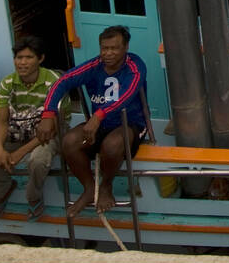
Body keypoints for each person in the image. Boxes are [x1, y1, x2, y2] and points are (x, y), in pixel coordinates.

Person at [36, 25, 149, 217]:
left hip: (130, 124)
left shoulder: (135, 66)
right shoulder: (94, 65)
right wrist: (48, 114)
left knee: (111, 146)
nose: (108, 53)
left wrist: (98, 115)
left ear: (126, 47)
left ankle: (106, 185)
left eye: (114, 48)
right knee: (69, 142)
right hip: (99, 124)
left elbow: (125, 95)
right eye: (104, 48)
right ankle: (89, 189)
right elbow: (62, 82)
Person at [0, 37, 70, 220]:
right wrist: (0, 149)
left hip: (48, 135)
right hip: (16, 131)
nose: (22, 62)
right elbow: (1, 121)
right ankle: (2, 191)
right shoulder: (8, 83)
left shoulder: (54, 83)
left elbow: (52, 129)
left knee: (38, 161)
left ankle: (34, 198)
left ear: (40, 59)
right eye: (19, 57)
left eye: (29, 57)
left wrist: (20, 153)